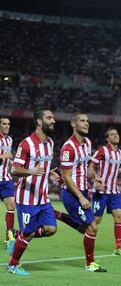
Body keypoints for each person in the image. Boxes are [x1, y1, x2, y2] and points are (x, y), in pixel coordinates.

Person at [7, 108, 59, 275]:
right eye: (49, 118)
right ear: (39, 121)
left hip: (42, 198)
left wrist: (50, 173)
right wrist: (31, 172)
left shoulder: (50, 143)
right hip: (26, 198)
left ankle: (18, 235)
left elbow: (43, 166)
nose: (53, 121)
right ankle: (13, 264)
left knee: (51, 228)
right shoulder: (26, 144)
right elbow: (14, 170)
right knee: (28, 234)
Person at [56, 112, 107, 272]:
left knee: (83, 229)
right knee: (92, 227)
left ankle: (57, 214)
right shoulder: (67, 147)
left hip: (84, 192)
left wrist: (96, 177)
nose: (86, 123)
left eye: (87, 121)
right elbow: (66, 177)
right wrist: (80, 197)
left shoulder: (87, 143)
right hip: (72, 193)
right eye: (82, 121)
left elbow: (87, 169)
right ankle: (90, 264)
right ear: (74, 124)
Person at [89, 127, 121, 256]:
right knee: (96, 221)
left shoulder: (120, 153)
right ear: (107, 138)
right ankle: (88, 240)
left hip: (114, 191)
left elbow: (114, 168)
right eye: (112, 135)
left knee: (119, 215)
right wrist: (96, 178)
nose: (115, 136)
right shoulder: (102, 151)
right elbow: (90, 166)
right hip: (100, 192)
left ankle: (118, 248)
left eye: (116, 134)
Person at [0, 116, 16, 253]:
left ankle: (8, 237)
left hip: (5, 179)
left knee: (11, 206)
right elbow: (3, 157)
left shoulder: (9, 140)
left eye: (8, 124)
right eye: (4, 124)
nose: (6, 126)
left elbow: (8, 159)